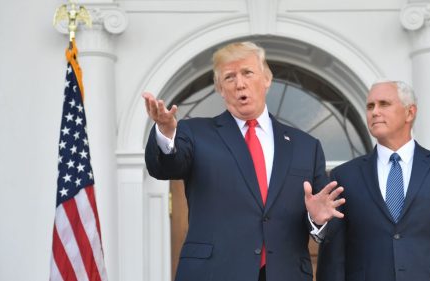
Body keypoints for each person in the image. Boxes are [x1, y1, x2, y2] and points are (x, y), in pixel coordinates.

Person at [143, 41, 344, 281]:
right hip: (213, 273)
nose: (240, 83)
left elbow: (326, 218)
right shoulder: (194, 133)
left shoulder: (306, 146)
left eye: (247, 73)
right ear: (220, 88)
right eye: (229, 77)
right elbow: (165, 166)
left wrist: (317, 219)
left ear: (267, 79)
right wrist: (166, 132)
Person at [316, 80, 430, 281]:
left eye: (384, 104)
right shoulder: (344, 176)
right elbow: (333, 258)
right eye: (370, 106)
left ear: (410, 112)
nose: (375, 112)